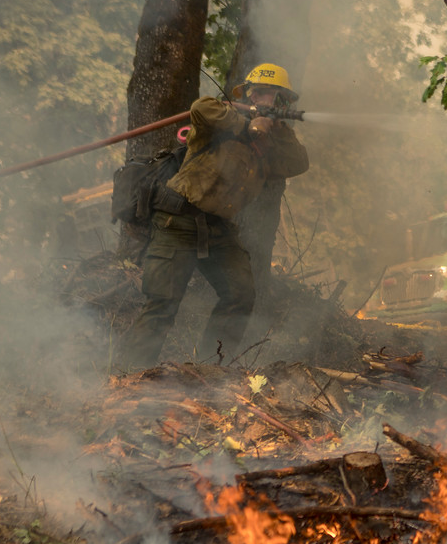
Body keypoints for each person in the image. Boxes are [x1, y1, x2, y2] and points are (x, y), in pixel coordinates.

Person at [117, 63, 309, 370]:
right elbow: (200, 107)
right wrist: (248, 123)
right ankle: (128, 378)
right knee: (162, 304)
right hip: (177, 220)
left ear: (283, 101)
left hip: (217, 228)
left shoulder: (273, 144)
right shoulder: (222, 117)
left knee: (240, 295)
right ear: (247, 93)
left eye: (271, 95)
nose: (262, 98)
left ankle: (208, 370)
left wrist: (276, 126)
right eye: (258, 91)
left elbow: (299, 162)